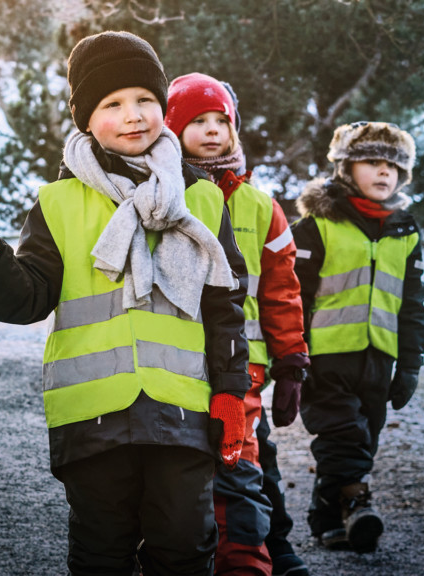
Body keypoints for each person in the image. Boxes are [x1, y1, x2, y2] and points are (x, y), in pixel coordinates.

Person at [0, 31, 252, 576]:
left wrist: (232, 393)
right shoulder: (58, 202)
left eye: (145, 100)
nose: (133, 115)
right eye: (112, 104)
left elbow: (226, 303)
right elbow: (25, 299)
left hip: (183, 411)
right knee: (101, 553)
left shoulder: (202, 197)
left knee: (186, 546)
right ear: (87, 119)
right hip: (93, 417)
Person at [165, 72, 310, 576]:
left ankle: (253, 561)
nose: (211, 131)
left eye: (220, 121)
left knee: (242, 469)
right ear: (172, 130)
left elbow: (281, 291)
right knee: (190, 475)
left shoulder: (259, 206)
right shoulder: (163, 195)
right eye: (196, 122)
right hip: (177, 364)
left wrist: (291, 361)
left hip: (244, 370)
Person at [290, 121, 424, 553]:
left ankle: (329, 521)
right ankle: (359, 502)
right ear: (346, 168)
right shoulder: (317, 227)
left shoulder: (403, 233)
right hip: (325, 358)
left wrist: (409, 365)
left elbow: (413, 306)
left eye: (393, 165)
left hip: (378, 359)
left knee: (362, 439)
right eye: (372, 162)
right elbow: (292, 295)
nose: (384, 172)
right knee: (342, 437)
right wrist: (292, 355)